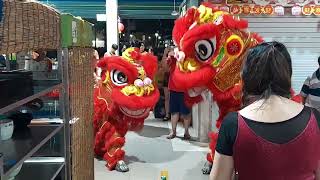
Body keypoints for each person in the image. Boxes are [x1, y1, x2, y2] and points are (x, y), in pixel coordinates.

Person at [210, 41, 320, 180]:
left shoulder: (233, 124)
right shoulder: (315, 119)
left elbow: (219, 178)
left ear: (247, 76)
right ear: (287, 74)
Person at [166, 48, 192, 140]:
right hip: (174, 89)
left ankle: (186, 132)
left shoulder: (189, 56)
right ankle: (173, 132)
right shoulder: (173, 57)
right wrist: (171, 53)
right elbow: (166, 64)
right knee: (174, 112)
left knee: (186, 113)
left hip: (185, 90)